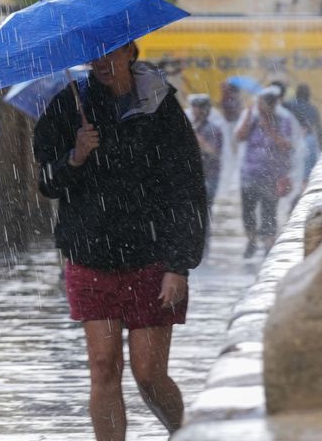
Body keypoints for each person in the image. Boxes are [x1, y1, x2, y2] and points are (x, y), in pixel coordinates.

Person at [33, 42, 207, 441]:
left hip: (151, 256)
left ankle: (186, 434)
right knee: (103, 365)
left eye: (111, 53)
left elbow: (187, 188)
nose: (102, 62)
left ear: (131, 52)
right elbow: (47, 181)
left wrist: (179, 265)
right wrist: (75, 156)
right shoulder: (68, 105)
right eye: (96, 55)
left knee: (148, 373)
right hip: (90, 256)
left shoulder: (159, 107)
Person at [234, 86, 293, 258]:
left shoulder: (284, 120)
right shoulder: (251, 118)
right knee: (248, 211)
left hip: (271, 175)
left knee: (269, 211)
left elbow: (286, 145)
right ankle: (251, 241)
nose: (263, 107)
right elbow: (239, 137)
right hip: (249, 173)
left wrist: (268, 127)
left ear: (274, 104)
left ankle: (268, 245)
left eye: (266, 103)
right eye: (260, 103)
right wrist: (248, 115)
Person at [188, 94, 224, 256]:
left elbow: (215, 152)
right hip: (191, 177)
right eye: (195, 107)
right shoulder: (188, 126)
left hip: (208, 177)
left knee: (203, 210)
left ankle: (203, 245)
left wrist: (198, 140)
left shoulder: (213, 129)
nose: (197, 111)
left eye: (201, 108)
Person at [284, 83, 322, 182]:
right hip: (309, 142)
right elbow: (319, 130)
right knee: (307, 176)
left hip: (291, 142)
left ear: (296, 94)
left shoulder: (289, 105)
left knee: (292, 175)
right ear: (308, 96)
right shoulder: (313, 109)